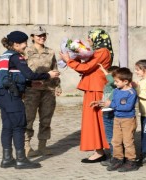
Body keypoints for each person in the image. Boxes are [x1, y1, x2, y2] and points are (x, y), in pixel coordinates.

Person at [0, 31, 60, 169]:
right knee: (19, 126)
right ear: (16, 44)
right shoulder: (16, 57)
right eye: (24, 43)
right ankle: (21, 159)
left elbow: (14, 76)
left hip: (2, 95)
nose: (26, 46)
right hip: (12, 96)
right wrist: (48, 75)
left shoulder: (4, 55)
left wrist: (30, 84)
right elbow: (29, 74)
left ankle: (7, 159)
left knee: (7, 127)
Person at [59, 29, 114, 163]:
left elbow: (87, 67)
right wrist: (76, 53)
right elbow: (89, 65)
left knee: (95, 120)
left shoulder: (102, 51)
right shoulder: (100, 51)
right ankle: (99, 150)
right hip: (93, 87)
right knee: (94, 120)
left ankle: (101, 151)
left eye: (90, 38)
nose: (88, 40)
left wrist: (69, 60)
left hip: (96, 88)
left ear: (97, 38)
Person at [24, 26, 61, 157]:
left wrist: (57, 86)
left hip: (48, 90)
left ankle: (42, 146)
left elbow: (55, 69)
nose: (42, 37)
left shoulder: (50, 52)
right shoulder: (26, 51)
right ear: (32, 37)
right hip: (31, 90)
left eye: (44, 35)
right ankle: (26, 146)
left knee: (46, 119)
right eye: (39, 35)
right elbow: (22, 71)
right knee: (29, 118)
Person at [100, 67, 139, 172]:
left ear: (125, 81)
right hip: (117, 118)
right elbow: (114, 103)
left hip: (128, 120)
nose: (115, 83)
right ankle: (118, 159)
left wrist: (111, 105)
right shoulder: (117, 91)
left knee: (127, 141)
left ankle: (131, 161)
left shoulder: (131, 93)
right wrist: (105, 103)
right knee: (115, 140)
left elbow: (127, 107)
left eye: (117, 81)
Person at [95, 64, 119, 166]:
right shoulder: (109, 85)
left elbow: (113, 81)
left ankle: (116, 157)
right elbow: (106, 97)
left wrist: (104, 71)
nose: (107, 76)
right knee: (109, 137)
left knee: (114, 136)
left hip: (112, 112)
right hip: (106, 111)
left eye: (109, 74)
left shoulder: (115, 85)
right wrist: (99, 103)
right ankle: (114, 156)